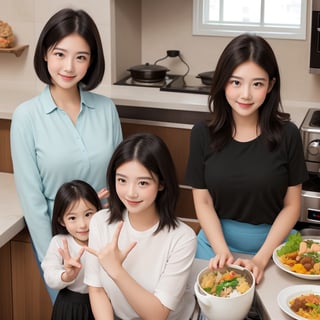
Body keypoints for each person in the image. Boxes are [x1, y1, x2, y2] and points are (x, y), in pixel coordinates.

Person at [10, 8, 122, 303]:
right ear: (45, 54)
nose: (69, 66)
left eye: (81, 57)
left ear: (92, 61)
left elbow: (122, 180)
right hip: (61, 248)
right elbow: (33, 204)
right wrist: (56, 265)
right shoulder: (26, 117)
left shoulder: (107, 109)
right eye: (60, 54)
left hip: (109, 243)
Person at [185, 33, 308, 285]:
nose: (245, 95)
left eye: (257, 84)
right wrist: (221, 252)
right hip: (215, 246)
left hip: (273, 248)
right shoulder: (202, 134)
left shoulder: (288, 134)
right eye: (236, 82)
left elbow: (292, 206)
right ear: (223, 83)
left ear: (270, 86)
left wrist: (261, 259)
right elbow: (203, 201)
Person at [84, 133, 197, 320]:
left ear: (161, 184)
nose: (130, 193)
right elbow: (96, 289)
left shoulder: (182, 238)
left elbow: (157, 314)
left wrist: (116, 270)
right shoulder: (100, 222)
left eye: (143, 183)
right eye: (122, 180)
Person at [41, 180, 102, 320]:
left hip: (101, 303)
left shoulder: (104, 238)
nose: (82, 225)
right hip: (69, 307)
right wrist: (66, 276)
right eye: (72, 218)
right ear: (62, 221)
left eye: (88, 214)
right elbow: (50, 275)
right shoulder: (59, 242)